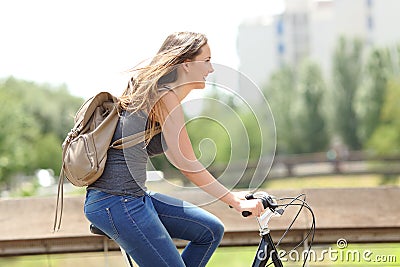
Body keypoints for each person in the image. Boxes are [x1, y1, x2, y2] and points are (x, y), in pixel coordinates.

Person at [84, 31, 265, 267]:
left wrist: (233, 197)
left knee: (209, 231)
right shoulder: (164, 96)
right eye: (207, 60)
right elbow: (186, 163)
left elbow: (177, 158)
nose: (211, 69)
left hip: (131, 199)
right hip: (118, 202)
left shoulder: (158, 96)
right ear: (187, 64)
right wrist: (235, 201)